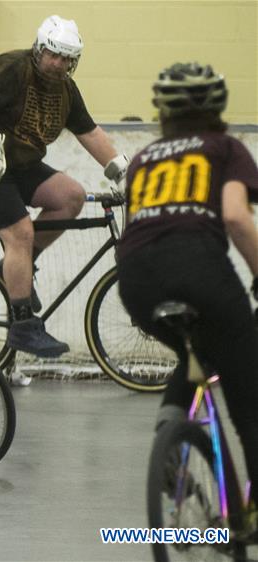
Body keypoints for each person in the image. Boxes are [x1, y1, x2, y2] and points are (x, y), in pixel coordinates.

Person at [0, 15, 129, 358]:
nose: (58, 63)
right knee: (19, 232)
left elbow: (89, 133)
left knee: (70, 197)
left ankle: (14, 266)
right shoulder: (13, 67)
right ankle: (23, 326)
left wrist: (124, 172)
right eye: (53, 54)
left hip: (19, 164)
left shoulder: (66, 91)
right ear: (39, 49)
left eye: (67, 58)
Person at [116, 62, 258, 528]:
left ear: (162, 111)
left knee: (198, 351)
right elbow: (236, 217)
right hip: (200, 269)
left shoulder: (144, 158)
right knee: (248, 394)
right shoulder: (225, 148)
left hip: (135, 278)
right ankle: (251, 516)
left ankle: (170, 426)